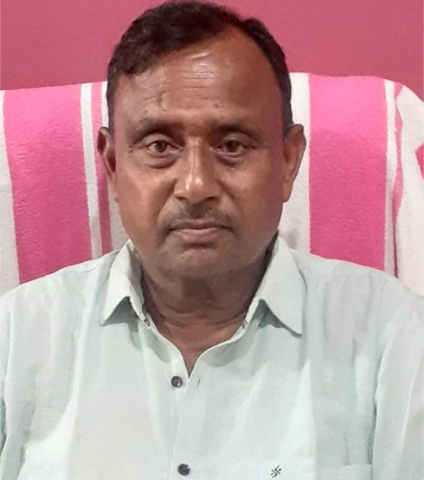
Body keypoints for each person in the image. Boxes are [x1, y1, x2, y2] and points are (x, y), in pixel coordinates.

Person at [0, 1, 423, 479]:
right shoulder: (17, 339)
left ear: (287, 162)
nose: (195, 185)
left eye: (232, 145)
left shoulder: (394, 338)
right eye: (160, 146)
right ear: (114, 165)